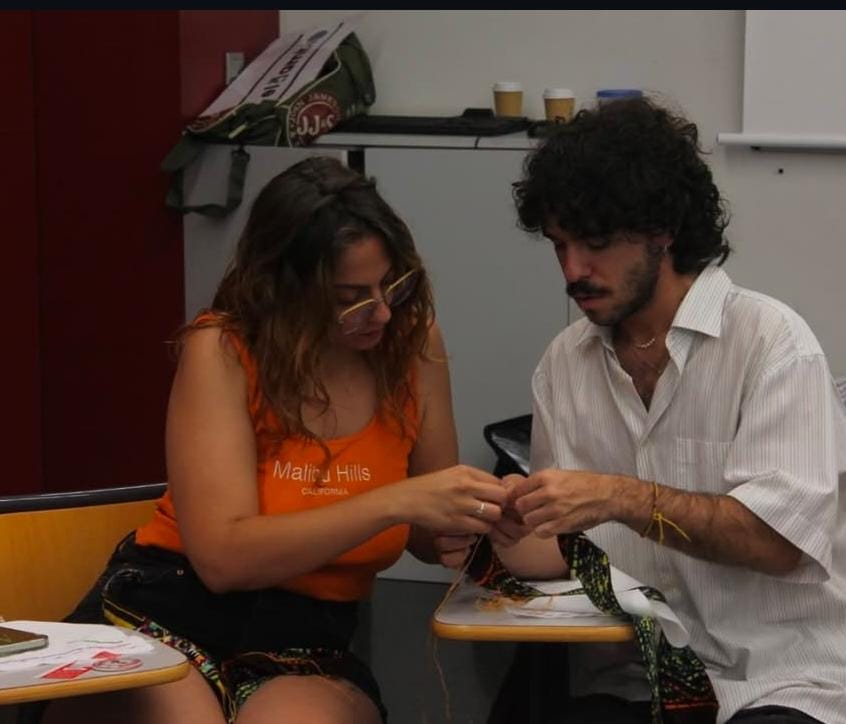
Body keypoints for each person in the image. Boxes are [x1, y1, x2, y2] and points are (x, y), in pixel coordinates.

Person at [40, 156, 507, 724]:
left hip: (307, 639)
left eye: (392, 284)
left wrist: (482, 522)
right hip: (171, 608)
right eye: (351, 297)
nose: (383, 312)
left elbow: (430, 532)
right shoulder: (223, 349)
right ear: (286, 289)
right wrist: (395, 501)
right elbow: (224, 561)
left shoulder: (411, 343)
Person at [490, 97, 846, 723]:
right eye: (559, 245)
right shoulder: (563, 364)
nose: (573, 270)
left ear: (662, 231)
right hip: (633, 679)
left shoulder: (771, 344)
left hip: (777, 679)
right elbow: (570, 548)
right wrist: (497, 532)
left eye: (596, 242)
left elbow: (777, 543)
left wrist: (620, 497)